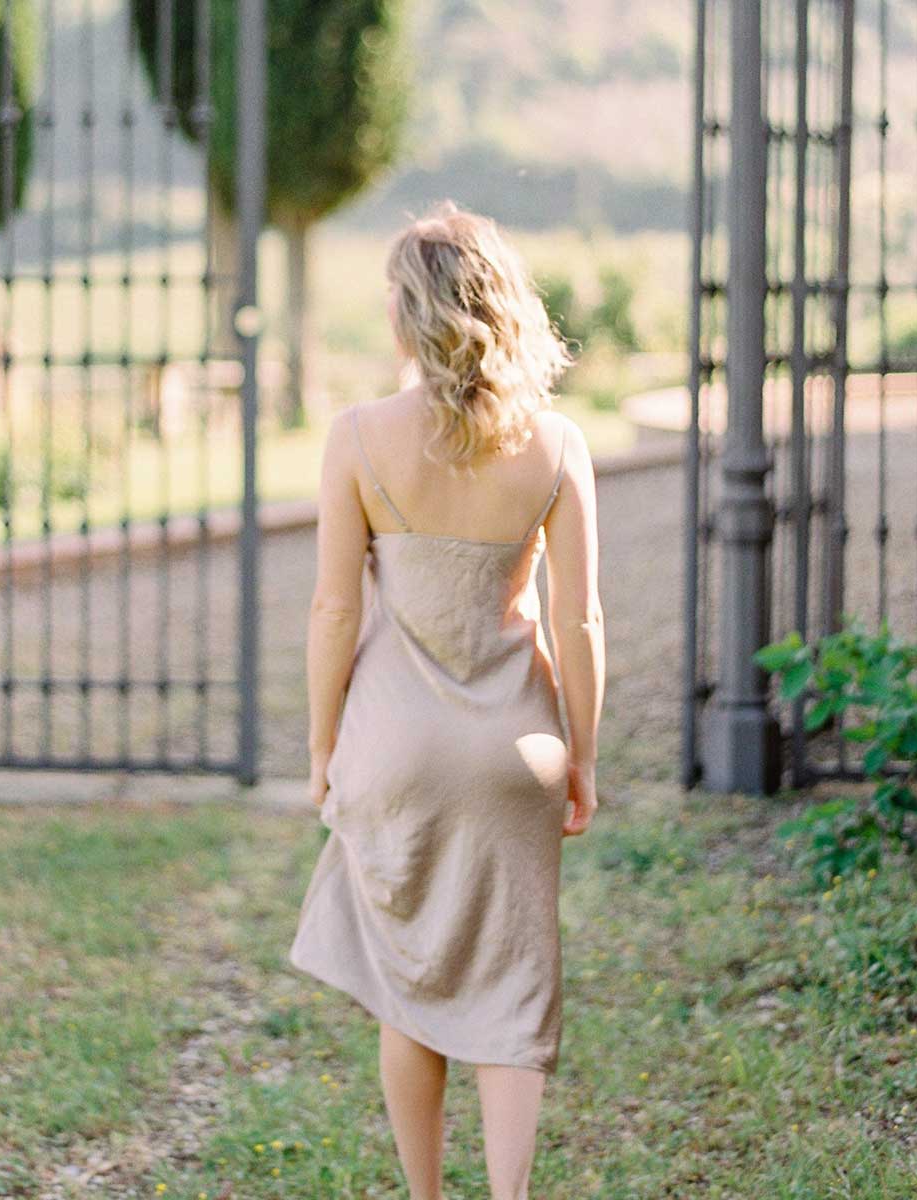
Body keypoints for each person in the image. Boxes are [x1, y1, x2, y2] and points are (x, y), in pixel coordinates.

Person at [288, 199, 605, 1200]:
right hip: (516, 746)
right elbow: (583, 621)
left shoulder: (358, 439)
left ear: (406, 317)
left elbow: (336, 611)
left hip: (394, 750)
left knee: (410, 984)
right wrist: (581, 757)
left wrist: (322, 746)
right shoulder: (555, 447)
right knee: (514, 988)